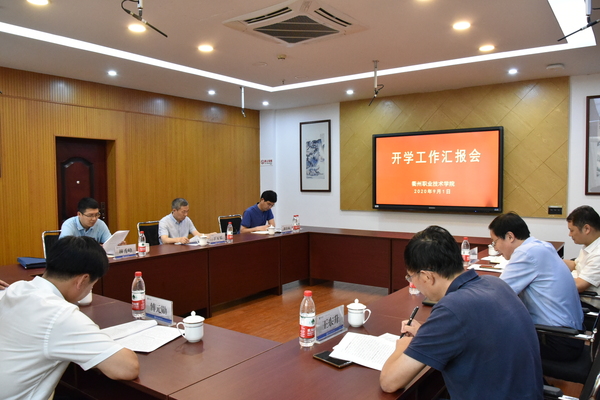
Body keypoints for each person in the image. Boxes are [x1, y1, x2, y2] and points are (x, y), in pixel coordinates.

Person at [380, 226, 543, 399]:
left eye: (411, 277)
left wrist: (403, 346)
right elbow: (473, 333)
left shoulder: (452, 308)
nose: (412, 282)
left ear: (427, 276)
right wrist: (425, 334)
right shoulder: (494, 283)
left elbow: (389, 382)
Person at [0, 236, 139, 400]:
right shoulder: (60, 315)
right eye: (92, 285)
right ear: (82, 280)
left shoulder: (16, 288)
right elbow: (127, 368)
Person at [489, 212, 584, 361]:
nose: (495, 248)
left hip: (557, 339)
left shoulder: (526, 253)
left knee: (489, 342)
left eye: (495, 242)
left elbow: (497, 295)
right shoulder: (541, 246)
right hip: (572, 335)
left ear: (510, 236)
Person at [564, 205, 600, 310]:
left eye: (571, 230)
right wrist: (552, 261)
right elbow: (576, 265)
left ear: (586, 229)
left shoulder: (598, 254)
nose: (569, 234)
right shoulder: (590, 245)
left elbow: (579, 285)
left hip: (586, 304)